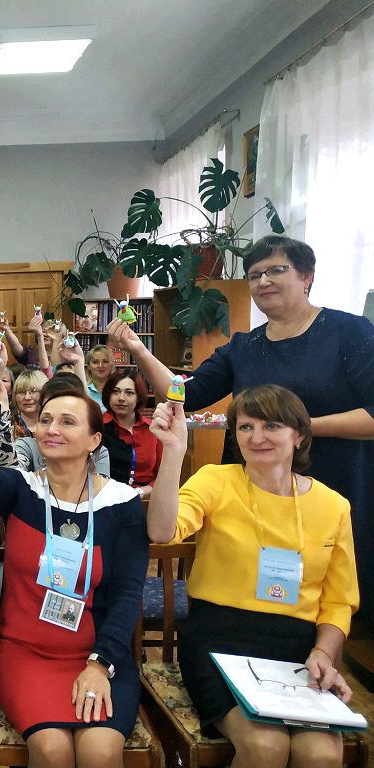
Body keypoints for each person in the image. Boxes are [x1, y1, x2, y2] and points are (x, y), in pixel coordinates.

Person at [108, 234, 374, 620]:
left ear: (307, 277)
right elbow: (185, 393)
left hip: (332, 481)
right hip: (253, 491)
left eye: (276, 270)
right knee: (249, 589)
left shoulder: (349, 333)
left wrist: (296, 430)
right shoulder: (244, 347)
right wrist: (138, 349)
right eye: (254, 275)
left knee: (330, 599)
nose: (263, 281)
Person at [148, 385, 358, 767]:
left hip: (298, 648)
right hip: (220, 641)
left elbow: (339, 601)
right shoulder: (215, 481)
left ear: (299, 435)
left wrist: (324, 652)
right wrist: (174, 451)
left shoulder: (333, 506)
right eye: (246, 427)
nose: (256, 437)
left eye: (271, 426)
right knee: (265, 745)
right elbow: (163, 532)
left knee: (322, 754)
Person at [0, 351, 148, 767]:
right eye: (46, 420)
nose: (51, 429)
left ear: (94, 440)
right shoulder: (23, 490)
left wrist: (100, 664)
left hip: (99, 655)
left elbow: (127, 594)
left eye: (67, 421)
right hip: (25, 653)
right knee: (52, 750)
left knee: (100, 754)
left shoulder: (122, 504)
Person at [100, 371, 161, 500]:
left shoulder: (153, 429)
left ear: (138, 397)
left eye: (129, 393)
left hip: (145, 498)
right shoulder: (98, 427)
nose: (121, 398)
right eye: (115, 391)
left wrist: (140, 491)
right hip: (106, 498)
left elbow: (164, 476)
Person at [12, 369, 49, 440]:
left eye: (33, 391)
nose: (27, 397)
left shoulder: (54, 425)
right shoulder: (7, 426)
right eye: (21, 392)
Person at [85, 345, 116, 410]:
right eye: (95, 362)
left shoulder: (118, 389)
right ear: (88, 366)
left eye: (105, 361)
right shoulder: (83, 388)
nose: (100, 366)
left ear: (111, 365)